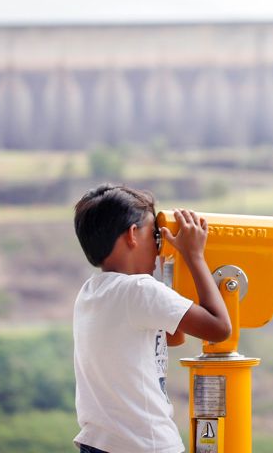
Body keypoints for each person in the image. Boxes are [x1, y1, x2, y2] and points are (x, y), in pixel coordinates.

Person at [71, 184, 232, 453]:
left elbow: (174, 335)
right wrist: (193, 256)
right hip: (146, 444)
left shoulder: (91, 293)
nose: (159, 249)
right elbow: (218, 327)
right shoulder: (140, 291)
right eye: (156, 238)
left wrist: (171, 262)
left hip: (98, 444)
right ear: (133, 235)